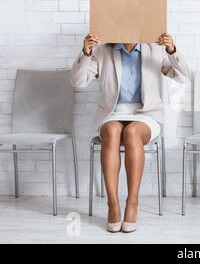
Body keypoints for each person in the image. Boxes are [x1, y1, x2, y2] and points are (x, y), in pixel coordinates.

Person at [71, 33, 189, 233]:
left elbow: (183, 76)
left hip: (146, 113)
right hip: (113, 112)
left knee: (132, 132)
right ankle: (113, 204)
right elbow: (77, 81)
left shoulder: (154, 48)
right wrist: (86, 52)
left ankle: (132, 202)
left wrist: (171, 50)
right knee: (111, 131)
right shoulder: (103, 50)